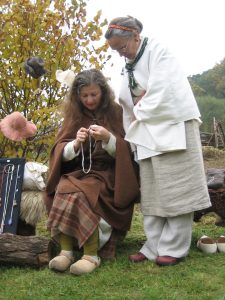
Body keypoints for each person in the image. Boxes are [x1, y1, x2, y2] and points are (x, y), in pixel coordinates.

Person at [104, 16, 211, 266]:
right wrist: (135, 108)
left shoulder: (159, 52)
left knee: (176, 189)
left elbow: (165, 88)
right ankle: (153, 245)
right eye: (115, 50)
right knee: (152, 192)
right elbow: (127, 99)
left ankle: (173, 248)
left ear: (136, 37)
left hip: (173, 128)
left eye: (122, 47)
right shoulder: (129, 63)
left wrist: (142, 104)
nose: (120, 54)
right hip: (147, 132)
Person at [44, 69, 139, 275]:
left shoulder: (115, 112)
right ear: (77, 95)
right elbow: (60, 149)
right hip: (80, 173)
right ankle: (66, 252)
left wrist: (108, 139)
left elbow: (127, 149)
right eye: (84, 95)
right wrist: (75, 144)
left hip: (108, 175)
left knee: (84, 193)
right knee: (64, 187)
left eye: (94, 94)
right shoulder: (74, 114)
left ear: (103, 92)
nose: (89, 100)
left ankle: (91, 255)